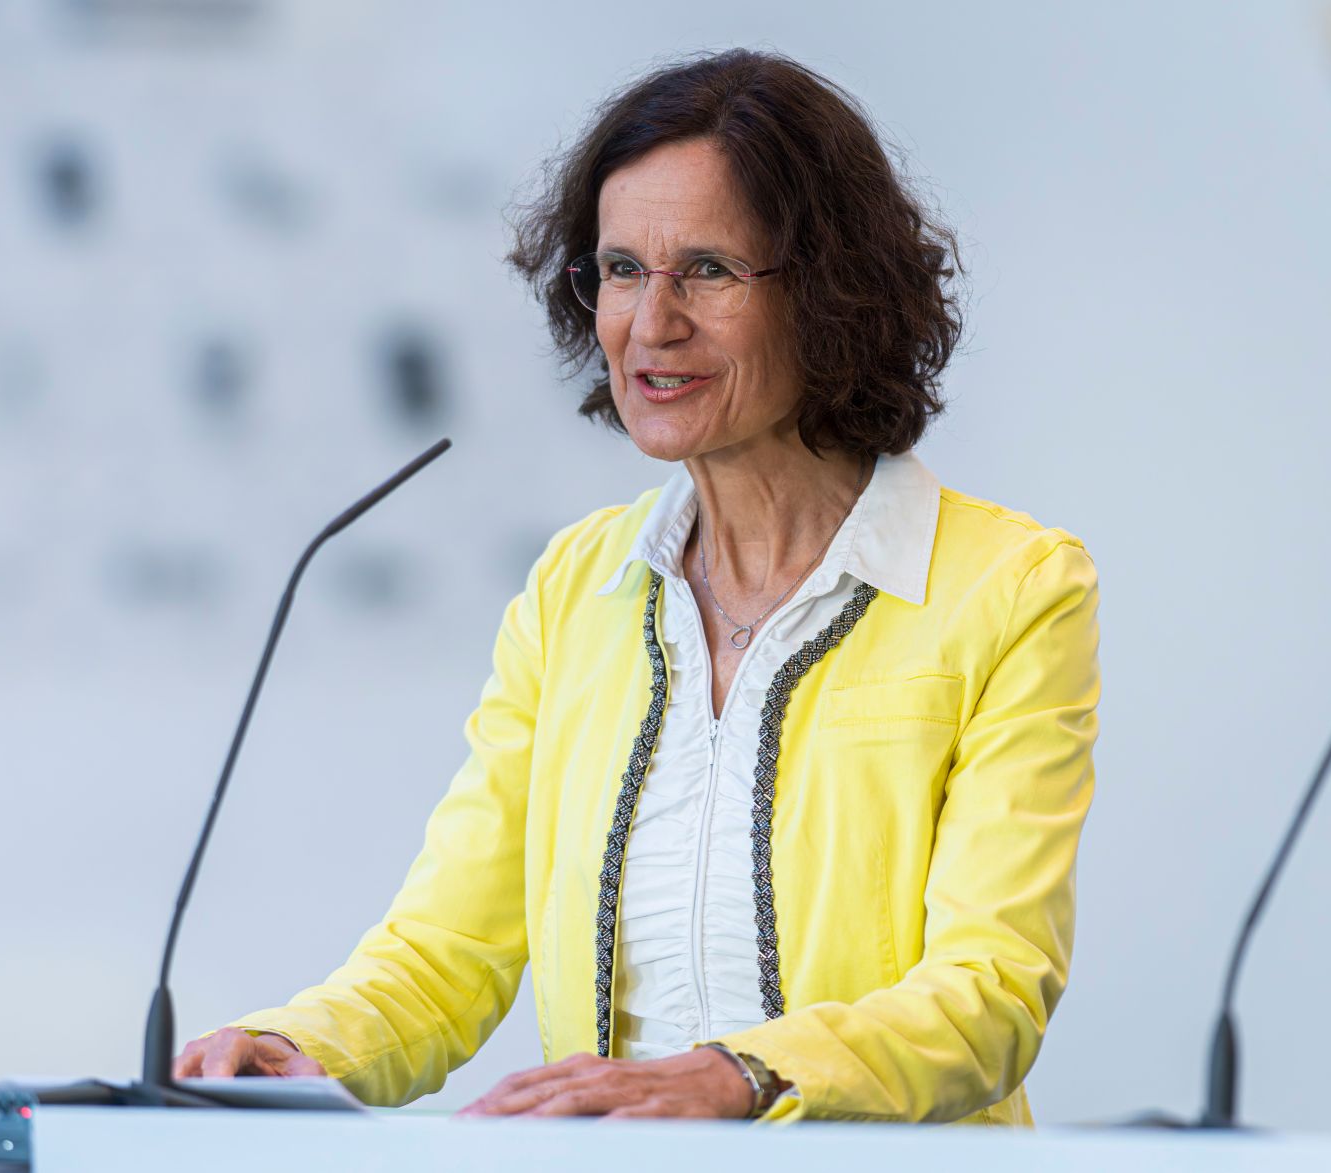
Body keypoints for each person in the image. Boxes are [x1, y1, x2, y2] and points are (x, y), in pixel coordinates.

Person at [174, 48, 1099, 1124]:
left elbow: (986, 995)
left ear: (826, 291)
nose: (649, 324)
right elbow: (447, 950)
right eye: (618, 269)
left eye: (704, 269)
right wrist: (294, 1049)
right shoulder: (574, 590)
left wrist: (731, 1077)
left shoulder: (1007, 587)